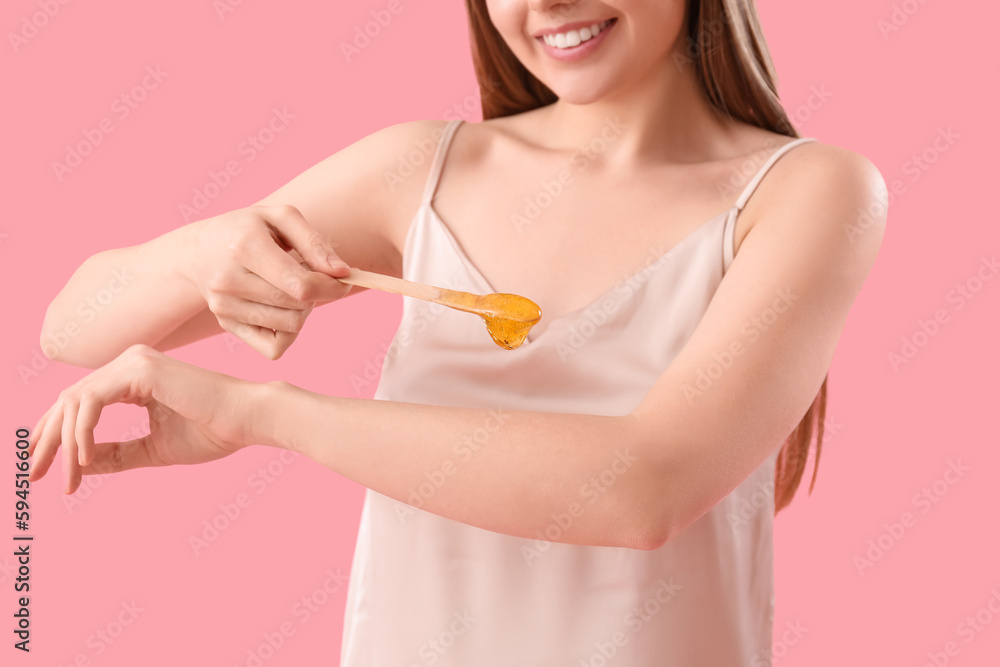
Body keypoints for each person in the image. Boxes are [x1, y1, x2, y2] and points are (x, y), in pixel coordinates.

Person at [28, 0, 887, 664]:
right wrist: (204, 247)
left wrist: (264, 414)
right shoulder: (425, 170)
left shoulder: (809, 192)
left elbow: (643, 489)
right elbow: (73, 324)